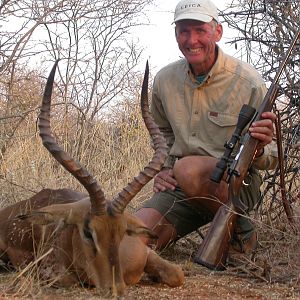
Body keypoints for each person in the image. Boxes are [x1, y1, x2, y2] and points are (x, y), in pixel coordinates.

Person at [135, 0, 278, 256]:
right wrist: (165, 168)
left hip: (235, 186)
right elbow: (162, 135)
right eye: (184, 31)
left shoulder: (249, 82)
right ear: (176, 35)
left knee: (188, 168)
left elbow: (274, 158)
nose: (192, 40)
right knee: (133, 233)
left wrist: (260, 150)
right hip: (181, 184)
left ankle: (241, 232)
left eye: (200, 30)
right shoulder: (164, 80)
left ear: (218, 32)